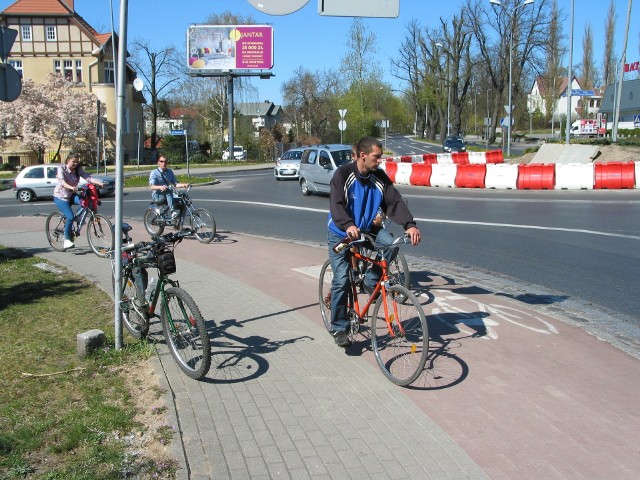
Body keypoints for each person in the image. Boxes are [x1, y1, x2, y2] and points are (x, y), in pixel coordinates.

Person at [327, 136, 421, 348]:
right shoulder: (342, 175)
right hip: (342, 232)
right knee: (342, 279)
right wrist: (348, 224)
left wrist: (409, 225)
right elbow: (337, 204)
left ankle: (371, 279)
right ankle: (340, 327)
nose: (380, 161)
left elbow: (394, 201)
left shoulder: (379, 177)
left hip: (369, 228)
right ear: (363, 155)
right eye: (377, 157)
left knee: (392, 245)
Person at [53, 154, 105, 250]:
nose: (75, 164)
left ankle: (78, 218)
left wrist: (98, 182)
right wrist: (71, 187)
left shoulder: (77, 170)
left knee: (86, 202)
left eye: (77, 162)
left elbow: (87, 177)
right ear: (68, 160)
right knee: (70, 217)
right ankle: (66, 240)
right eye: (73, 162)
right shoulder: (61, 168)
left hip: (72, 195)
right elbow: (62, 182)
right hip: (61, 197)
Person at [148, 156, 190, 221]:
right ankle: (172, 212)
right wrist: (160, 187)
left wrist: (184, 185)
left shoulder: (169, 172)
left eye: (165, 161)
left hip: (168, 195)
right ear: (158, 162)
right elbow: (151, 187)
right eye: (161, 161)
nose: (163, 163)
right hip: (158, 195)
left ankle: (179, 224)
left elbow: (175, 184)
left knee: (183, 201)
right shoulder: (154, 172)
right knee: (169, 191)